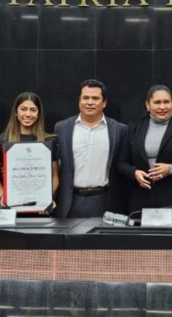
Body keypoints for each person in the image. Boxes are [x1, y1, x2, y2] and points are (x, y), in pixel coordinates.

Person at [117, 85, 172, 219]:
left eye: (166, 102)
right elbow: (121, 163)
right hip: (140, 198)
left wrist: (171, 169)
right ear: (147, 105)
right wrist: (134, 173)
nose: (162, 107)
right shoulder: (134, 128)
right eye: (157, 102)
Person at [54, 79, 128, 218]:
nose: (89, 102)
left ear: (104, 103)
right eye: (85, 98)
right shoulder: (62, 128)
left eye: (95, 98)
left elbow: (123, 165)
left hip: (105, 202)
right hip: (69, 202)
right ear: (79, 101)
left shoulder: (119, 130)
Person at [0, 92, 60, 211]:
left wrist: (48, 198)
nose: (28, 114)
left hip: (41, 208)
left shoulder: (49, 141)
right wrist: (2, 195)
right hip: (11, 207)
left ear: (38, 114)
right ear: (16, 112)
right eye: (23, 109)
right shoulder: (2, 141)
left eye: (33, 110)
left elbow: (55, 177)